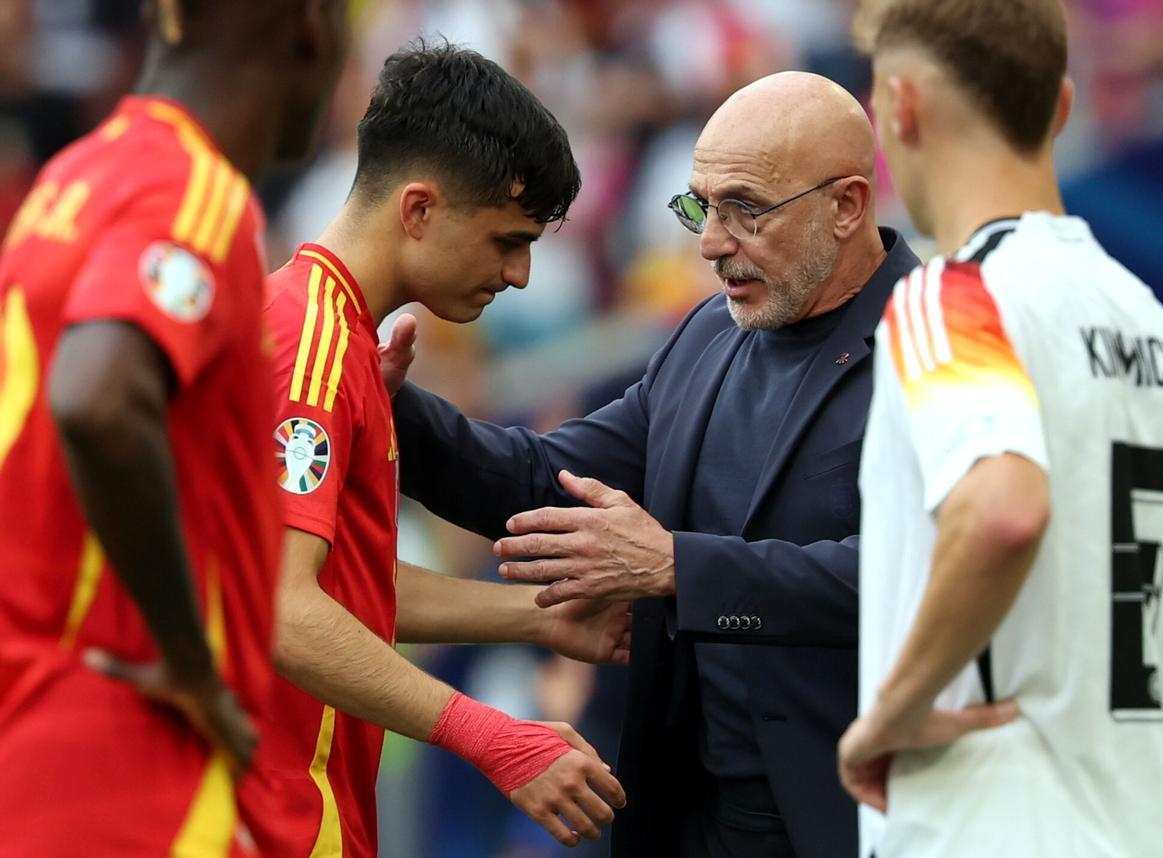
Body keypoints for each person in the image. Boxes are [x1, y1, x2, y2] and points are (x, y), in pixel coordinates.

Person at [383, 71, 920, 857]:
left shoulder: (935, 344)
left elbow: (918, 576)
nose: (708, 242)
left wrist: (679, 568)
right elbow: (547, 482)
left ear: (846, 206)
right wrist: (389, 407)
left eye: (743, 209)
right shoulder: (708, 335)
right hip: (689, 819)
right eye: (699, 205)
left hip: (862, 818)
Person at [839, 1, 1163, 857]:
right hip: (1147, 825)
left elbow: (1003, 509)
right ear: (1062, 107)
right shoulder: (1158, 329)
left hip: (990, 822)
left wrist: (892, 713)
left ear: (902, 106)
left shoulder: (953, 294)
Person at [0, 0, 349, 855]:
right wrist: (190, 657)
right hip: (122, 751)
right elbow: (99, 399)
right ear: (307, 24)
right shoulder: (192, 191)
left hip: (34, 733)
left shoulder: (75, 175)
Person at [260, 43, 626, 856]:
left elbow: (339, 584)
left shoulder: (338, 338)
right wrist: (493, 737)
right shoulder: (311, 346)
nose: (523, 275)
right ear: (419, 210)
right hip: (272, 816)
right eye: (506, 240)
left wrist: (542, 618)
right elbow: (280, 609)